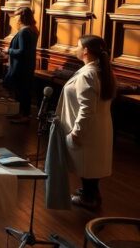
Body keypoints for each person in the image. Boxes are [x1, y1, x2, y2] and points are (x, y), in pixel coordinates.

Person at [55, 35, 116, 209]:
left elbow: (87, 108)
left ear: (86, 51)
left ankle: (89, 198)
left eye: (77, 46)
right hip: (99, 127)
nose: (75, 48)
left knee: (87, 163)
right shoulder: (100, 70)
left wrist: (76, 131)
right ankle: (90, 192)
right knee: (92, 163)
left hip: (87, 128)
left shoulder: (88, 74)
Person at [4, 7, 39, 123]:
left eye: (16, 16)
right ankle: (22, 114)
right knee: (24, 90)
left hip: (21, 66)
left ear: (22, 17)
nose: (15, 18)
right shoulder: (32, 29)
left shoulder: (24, 31)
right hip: (27, 65)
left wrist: (8, 51)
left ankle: (23, 115)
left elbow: (22, 51)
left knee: (21, 91)